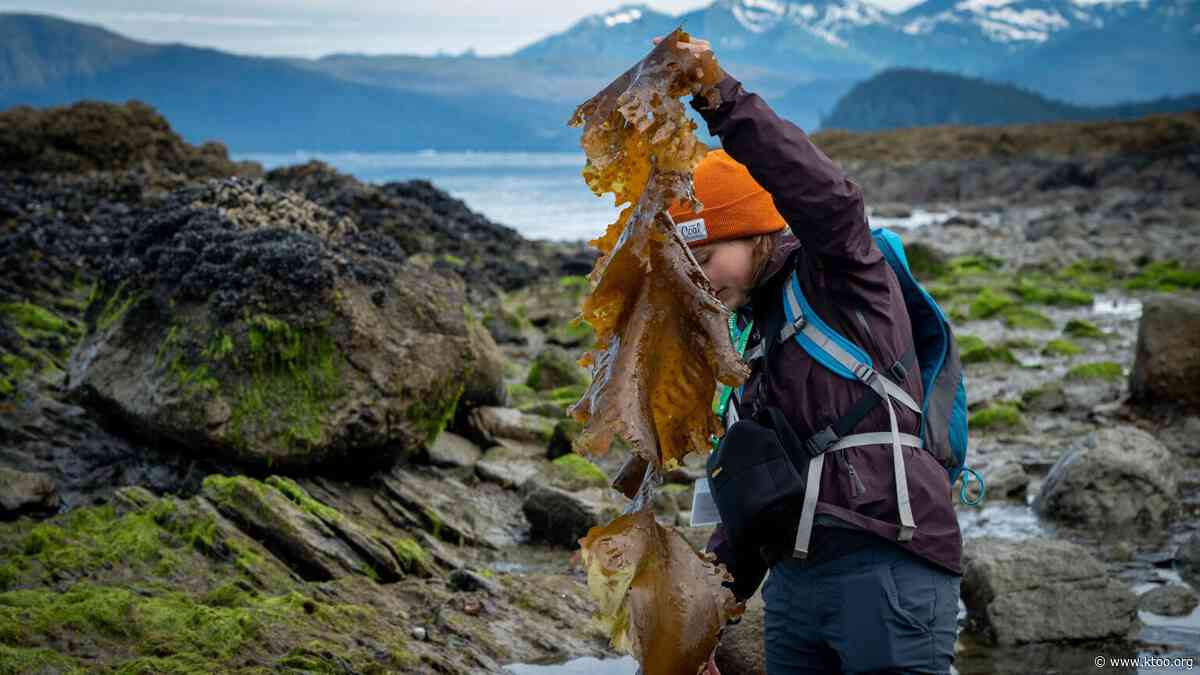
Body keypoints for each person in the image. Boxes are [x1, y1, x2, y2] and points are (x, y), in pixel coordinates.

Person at [660, 37, 964, 674]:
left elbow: (826, 196)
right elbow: (753, 494)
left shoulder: (845, 277)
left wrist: (721, 99)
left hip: (889, 569)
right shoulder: (750, 339)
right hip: (794, 588)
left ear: (757, 230)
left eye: (706, 257)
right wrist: (706, 620)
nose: (699, 279)